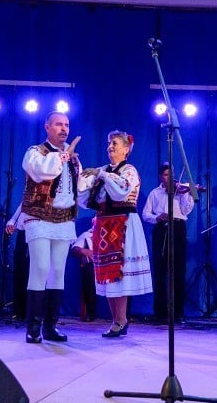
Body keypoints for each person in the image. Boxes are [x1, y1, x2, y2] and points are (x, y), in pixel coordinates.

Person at [78, 130, 152, 337]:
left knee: (119, 273)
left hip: (123, 224)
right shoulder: (102, 171)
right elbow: (85, 199)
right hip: (104, 225)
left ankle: (121, 320)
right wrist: (81, 174)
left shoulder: (129, 170)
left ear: (126, 149)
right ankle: (116, 320)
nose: (111, 146)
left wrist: (101, 175)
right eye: (109, 143)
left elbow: (121, 190)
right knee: (107, 275)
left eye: (116, 143)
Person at [17, 112, 82, 343]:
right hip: (39, 218)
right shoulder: (35, 152)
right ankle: (33, 327)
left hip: (63, 220)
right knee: (41, 268)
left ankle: (50, 327)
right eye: (58, 124)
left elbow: (78, 190)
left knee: (58, 271)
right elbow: (45, 171)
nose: (64, 128)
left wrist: (94, 181)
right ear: (47, 127)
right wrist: (65, 155)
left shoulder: (73, 159)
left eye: (66, 124)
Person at [141, 163, 195, 323]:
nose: (169, 178)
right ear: (160, 177)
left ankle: (178, 313)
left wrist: (184, 193)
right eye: (165, 175)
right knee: (160, 271)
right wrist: (157, 217)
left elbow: (186, 210)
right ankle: (160, 313)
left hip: (178, 228)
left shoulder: (180, 191)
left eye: (171, 174)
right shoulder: (155, 193)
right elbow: (145, 214)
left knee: (179, 272)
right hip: (161, 230)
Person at [5, 204, 29, 320]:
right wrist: (10, 224)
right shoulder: (25, 200)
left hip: (36, 237)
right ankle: (19, 313)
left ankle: (31, 312)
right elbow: (13, 219)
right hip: (22, 237)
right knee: (19, 275)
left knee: (31, 276)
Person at [70, 228, 98, 321]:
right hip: (94, 265)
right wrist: (84, 251)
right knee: (89, 270)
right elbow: (74, 249)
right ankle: (90, 313)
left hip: (111, 263)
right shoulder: (87, 234)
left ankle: (122, 316)